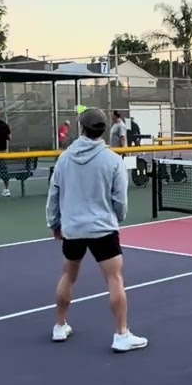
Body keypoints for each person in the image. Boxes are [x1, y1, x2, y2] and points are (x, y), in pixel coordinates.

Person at [46, 107, 146, 353]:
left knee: (68, 275)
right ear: (103, 130)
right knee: (115, 278)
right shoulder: (112, 160)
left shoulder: (65, 158)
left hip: (73, 229)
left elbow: (54, 194)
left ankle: (60, 326)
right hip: (103, 229)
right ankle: (121, 334)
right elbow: (120, 199)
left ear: (81, 127)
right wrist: (118, 217)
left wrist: (55, 224)